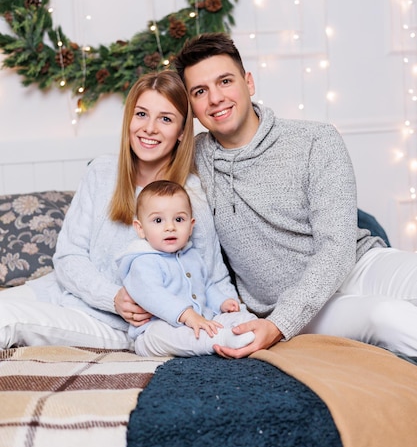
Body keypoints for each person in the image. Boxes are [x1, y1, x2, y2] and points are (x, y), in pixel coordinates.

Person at [174, 32, 417, 359]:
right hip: (295, 306)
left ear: (249, 82)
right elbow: (140, 172)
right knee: (387, 317)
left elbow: (338, 247)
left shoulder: (315, 140)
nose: (215, 98)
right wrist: (279, 323)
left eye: (225, 81)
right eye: (200, 91)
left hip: (358, 264)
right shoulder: (192, 160)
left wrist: (278, 325)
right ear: (191, 105)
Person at [0, 70, 236, 350]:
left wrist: (235, 319)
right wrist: (112, 295)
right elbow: (68, 256)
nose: (149, 128)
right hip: (61, 290)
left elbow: (212, 275)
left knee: (6, 319)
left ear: (182, 132)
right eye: (141, 114)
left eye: (165, 119)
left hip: (110, 322)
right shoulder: (101, 171)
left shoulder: (189, 195)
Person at [118, 180, 256, 357]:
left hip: (202, 319)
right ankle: (220, 340)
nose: (170, 227)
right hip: (154, 330)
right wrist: (187, 315)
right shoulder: (143, 263)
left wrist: (222, 302)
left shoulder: (192, 256)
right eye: (158, 220)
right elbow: (153, 295)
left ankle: (249, 328)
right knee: (167, 335)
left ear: (191, 226)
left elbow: (206, 285)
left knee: (236, 316)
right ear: (140, 228)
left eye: (179, 219)